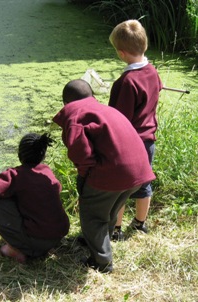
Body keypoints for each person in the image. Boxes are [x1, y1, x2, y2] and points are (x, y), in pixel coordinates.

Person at [52, 79, 156, 273]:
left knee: (92, 215)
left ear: (66, 103)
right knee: (109, 211)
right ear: (92, 96)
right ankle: (99, 240)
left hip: (114, 172)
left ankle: (102, 262)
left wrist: (85, 177)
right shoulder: (106, 110)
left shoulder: (75, 116)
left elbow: (79, 153)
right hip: (139, 171)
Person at [0, 133, 70, 263]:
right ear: (43, 155)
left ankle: (19, 250)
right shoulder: (47, 172)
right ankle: (41, 247)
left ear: (20, 155)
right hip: (57, 236)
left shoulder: (15, 175)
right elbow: (56, 188)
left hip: (37, 240)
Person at [108, 19, 163, 241]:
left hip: (129, 143)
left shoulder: (126, 82)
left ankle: (116, 229)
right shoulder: (153, 71)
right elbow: (155, 89)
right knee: (144, 184)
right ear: (145, 45)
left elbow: (118, 118)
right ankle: (140, 224)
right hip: (148, 140)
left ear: (121, 53)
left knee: (121, 186)